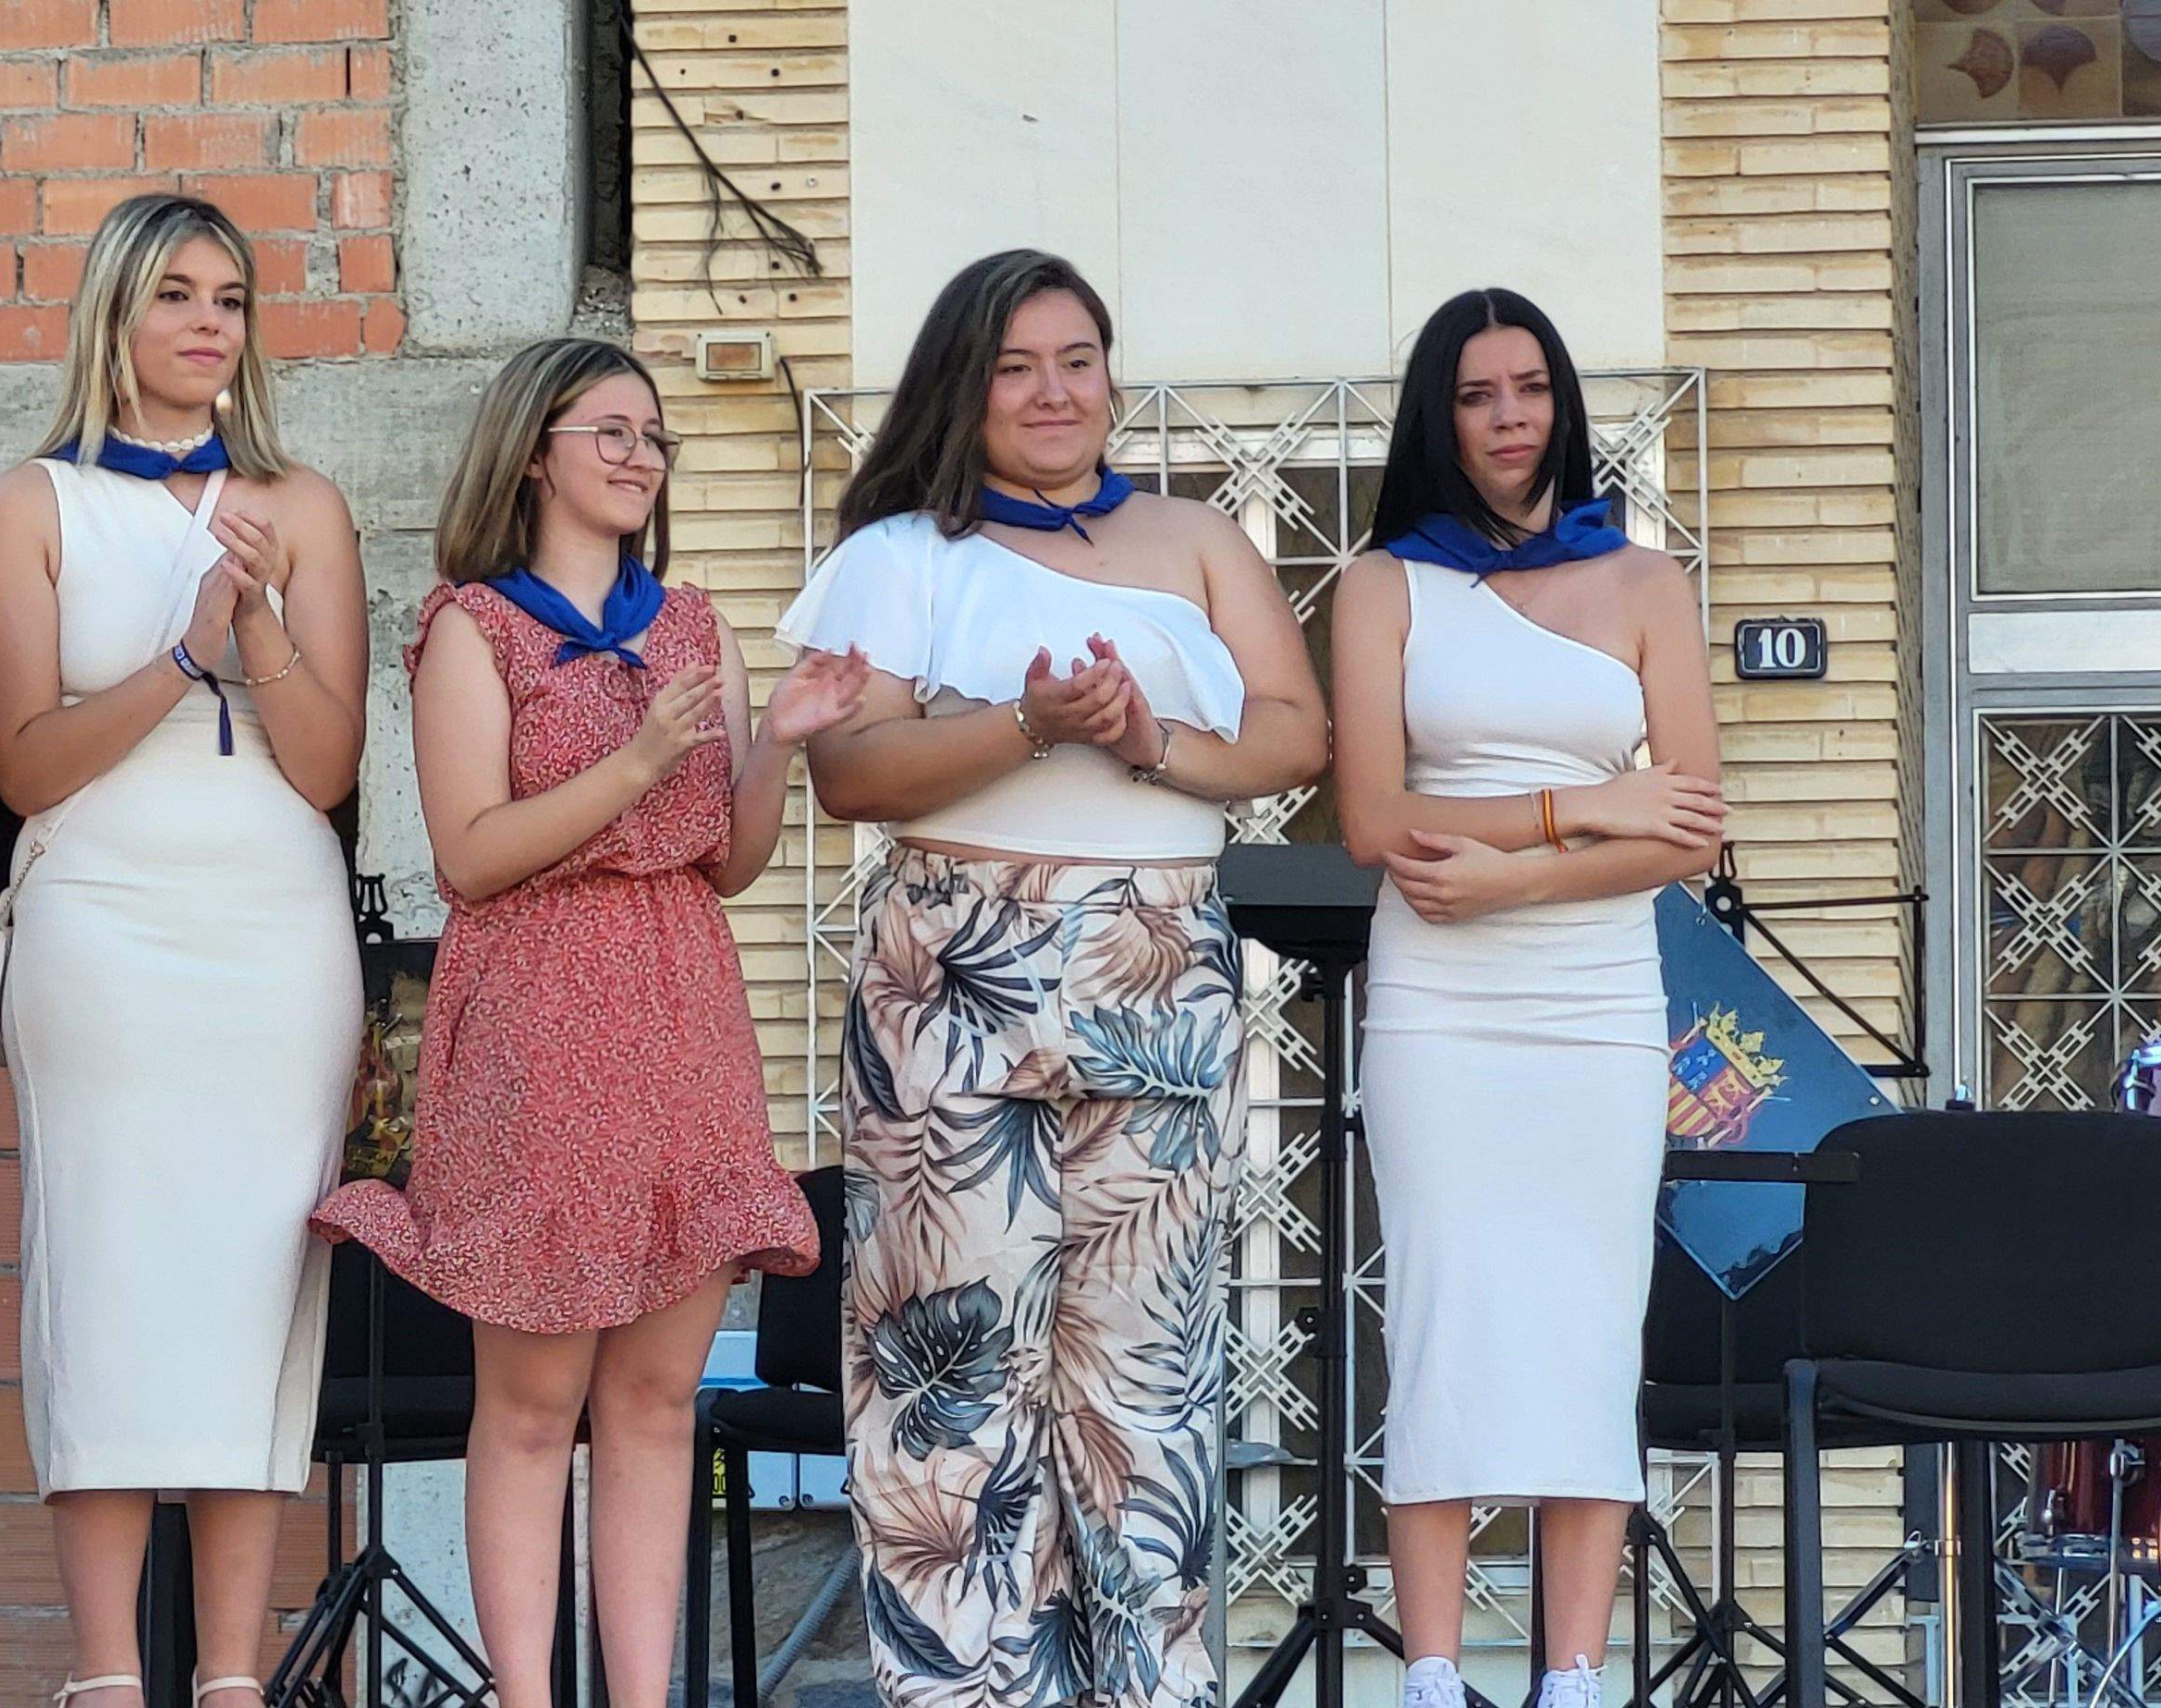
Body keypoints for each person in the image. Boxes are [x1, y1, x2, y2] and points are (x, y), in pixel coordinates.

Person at [779, 248, 1326, 1708]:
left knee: (1144, 1384)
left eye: (1076, 359)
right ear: (967, 382)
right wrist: (1025, 725)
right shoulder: (900, 552)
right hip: (963, 959)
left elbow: (1293, 735)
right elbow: (850, 770)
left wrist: (1147, 740)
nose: (1052, 391)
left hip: (1159, 965)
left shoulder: (1198, 536)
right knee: (953, 1382)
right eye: (1018, 365)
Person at [311, 336, 840, 1708]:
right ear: (534, 448)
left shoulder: (696, 625)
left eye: (653, 436)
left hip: (682, 1008)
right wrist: (641, 759)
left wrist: (772, 743)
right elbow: (473, 854)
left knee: (657, 1401)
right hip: (539, 1010)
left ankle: (644, 1694)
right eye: (611, 430)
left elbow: (726, 861)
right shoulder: (473, 625)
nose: (639, 455)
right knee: (536, 1400)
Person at [0, 192, 366, 1708]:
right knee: (112, 1274)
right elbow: (27, 762)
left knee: (259, 1280)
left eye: (234, 299)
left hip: (276, 924)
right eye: (177, 295)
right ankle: (108, 1674)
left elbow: (325, 768)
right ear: (115, 318)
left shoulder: (303, 506)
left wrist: (257, 624)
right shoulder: (31, 506)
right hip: (109, 925)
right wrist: (182, 649)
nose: (210, 323)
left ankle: (235, 1677)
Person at [1333, 287, 1725, 1708]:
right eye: (1479, 396)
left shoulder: (1645, 584)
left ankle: (1574, 1678)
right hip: (1440, 1006)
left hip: (1594, 997)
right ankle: (1433, 1674)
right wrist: (1587, 803)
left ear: (1563, 402)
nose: (1510, 420)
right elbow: (1376, 821)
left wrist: (1511, 864)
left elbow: (1693, 830)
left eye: (1531, 389)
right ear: (1440, 419)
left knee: (1583, 1322)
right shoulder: (1384, 584)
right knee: (1442, 1314)